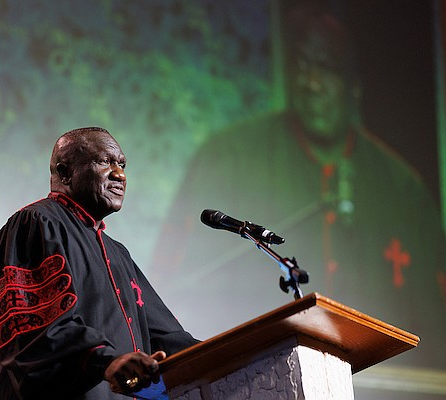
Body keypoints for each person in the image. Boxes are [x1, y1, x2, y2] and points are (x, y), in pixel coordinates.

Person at [150, 0, 446, 375]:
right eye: (300, 66)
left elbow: (436, 320)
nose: (310, 83)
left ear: (354, 85)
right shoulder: (228, 156)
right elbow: (168, 288)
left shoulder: (403, 188)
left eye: (324, 67)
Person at [0, 127, 199, 399]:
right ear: (65, 172)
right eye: (104, 161)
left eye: (121, 164)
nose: (119, 174)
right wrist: (105, 360)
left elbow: (164, 336)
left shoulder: (117, 253)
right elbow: (31, 327)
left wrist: (230, 353)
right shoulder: (36, 223)